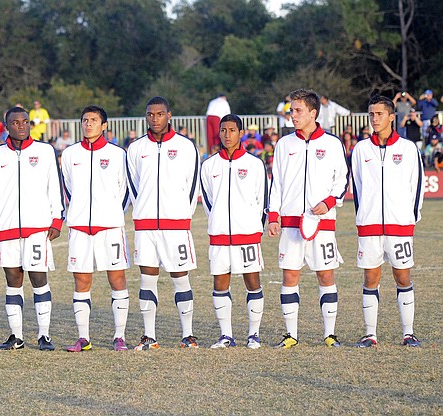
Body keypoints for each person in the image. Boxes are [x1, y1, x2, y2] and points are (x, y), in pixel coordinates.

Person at [268, 89, 349, 348]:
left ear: (313, 113)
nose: (293, 115)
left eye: (298, 110)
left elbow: (342, 180)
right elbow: (277, 184)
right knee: (290, 277)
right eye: (291, 110)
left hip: (321, 223)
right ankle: (291, 335)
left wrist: (328, 202)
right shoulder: (283, 144)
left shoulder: (332, 144)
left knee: (325, 276)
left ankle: (330, 334)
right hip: (290, 224)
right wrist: (273, 215)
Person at [0, 107, 63, 351]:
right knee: (13, 280)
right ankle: (16, 336)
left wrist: (56, 219)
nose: (21, 126)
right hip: (6, 229)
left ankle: (44, 335)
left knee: (39, 279)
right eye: (15, 122)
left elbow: (55, 186)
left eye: (25, 122)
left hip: (37, 229)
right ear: (6, 127)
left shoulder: (44, 151)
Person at [126, 96, 200, 350]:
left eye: (159, 114)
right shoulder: (136, 148)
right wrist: (143, 212)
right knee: (147, 279)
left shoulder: (186, 146)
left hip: (176, 224)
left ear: (170, 115)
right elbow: (133, 185)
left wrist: (182, 214)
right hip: (146, 226)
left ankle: (188, 335)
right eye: (150, 114)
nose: (154, 119)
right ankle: (149, 336)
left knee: (181, 278)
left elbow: (193, 184)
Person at [352, 95, 424, 348]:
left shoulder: (407, 148)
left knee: (402, 277)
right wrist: (363, 217)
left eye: (379, 114)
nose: (374, 119)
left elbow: (417, 185)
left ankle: (408, 333)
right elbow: (358, 188)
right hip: (369, 226)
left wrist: (409, 218)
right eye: (371, 114)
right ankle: (370, 334)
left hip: (399, 225)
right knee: (371, 278)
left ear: (392, 117)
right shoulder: (361, 149)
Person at [61, 105, 130, 352]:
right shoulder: (70, 154)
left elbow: (124, 190)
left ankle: (119, 336)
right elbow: (68, 188)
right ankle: (83, 338)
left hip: (110, 227)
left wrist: (111, 214)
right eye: (85, 120)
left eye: (93, 120)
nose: (88, 124)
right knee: (81, 280)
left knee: (117, 278)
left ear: (104, 125)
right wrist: (79, 212)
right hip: (79, 228)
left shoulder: (118, 154)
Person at [199, 114, 267, 349]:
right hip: (219, 236)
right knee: (220, 283)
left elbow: (262, 199)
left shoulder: (254, 164)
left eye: (232, 130)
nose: (227, 135)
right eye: (223, 130)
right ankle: (226, 335)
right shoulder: (209, 165)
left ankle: (253, 335)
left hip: (247, 235)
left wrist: (254, 228)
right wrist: (217, 222)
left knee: (252, 281)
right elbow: (208, 201)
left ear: (241, 133)